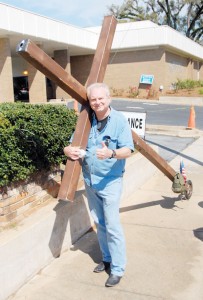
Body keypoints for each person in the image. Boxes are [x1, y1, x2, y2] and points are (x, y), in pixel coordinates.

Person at [64, 82, 134, 287]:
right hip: (90, 180)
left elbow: (128, 149)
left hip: (111, 181)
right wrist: (67, 150)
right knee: (100, 223)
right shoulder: (86, 120)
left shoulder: (119, 120)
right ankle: (107, 259)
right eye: (93, 99)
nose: (97, 102)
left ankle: (118, 268)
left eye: (100, 98)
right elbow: (72, 144)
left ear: (109, 99)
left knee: (112, 226)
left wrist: (111, 153)